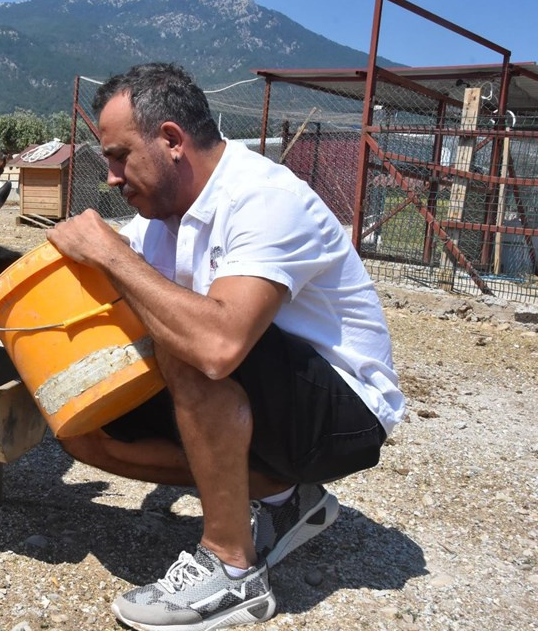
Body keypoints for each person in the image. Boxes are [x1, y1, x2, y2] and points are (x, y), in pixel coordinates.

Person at [45, 62, 405, 630]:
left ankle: (232, 571)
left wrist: (112, 255)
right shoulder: (164, 215)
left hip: (346, 412)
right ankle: (285, 498)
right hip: (273, 396)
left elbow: (217, 345)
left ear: (170, 141)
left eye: (118, 156)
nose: (110, 177)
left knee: (186, 340)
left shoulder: (263, 197)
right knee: (91, 432)